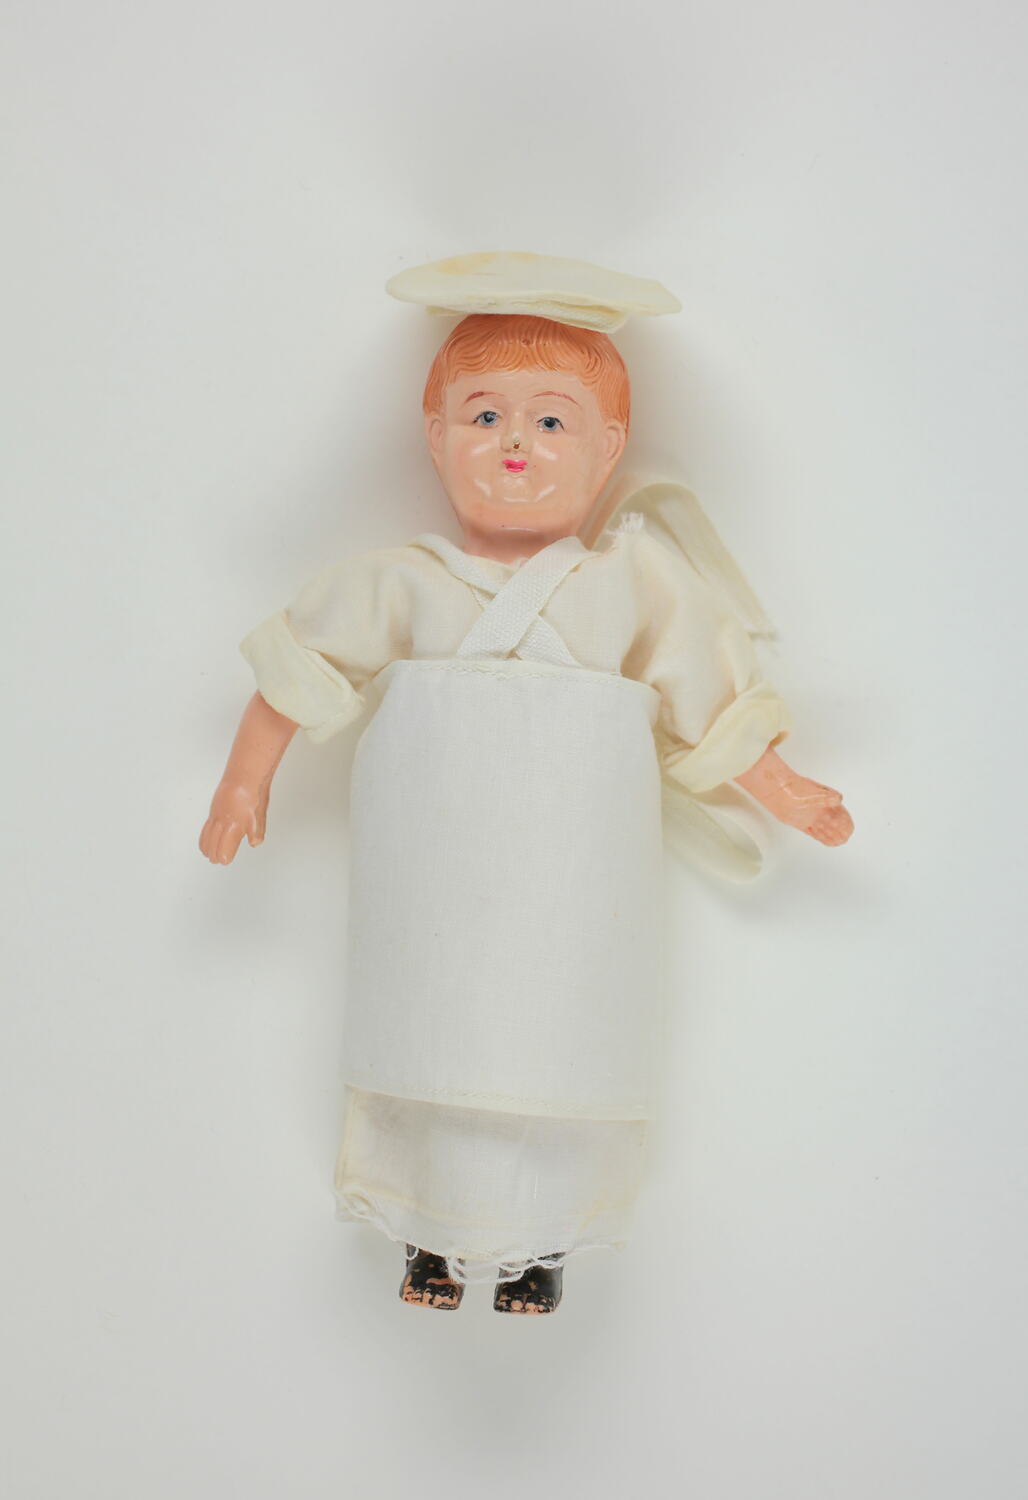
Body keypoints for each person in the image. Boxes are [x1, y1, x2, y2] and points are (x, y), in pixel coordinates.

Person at [199, 256, 853, 1314]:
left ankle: (542, 1245)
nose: (515, 442)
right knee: (426, 1030)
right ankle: (425, 1236)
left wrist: (780, 786)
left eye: (552, 421)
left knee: (564, 1040)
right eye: (484, 415)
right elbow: (298, 672)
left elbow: (704, 692)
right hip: (433, 871)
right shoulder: (400, 583)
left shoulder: (629, 584)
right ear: (433, 435)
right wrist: (245, 781)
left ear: (608, 448)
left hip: (574, 873)